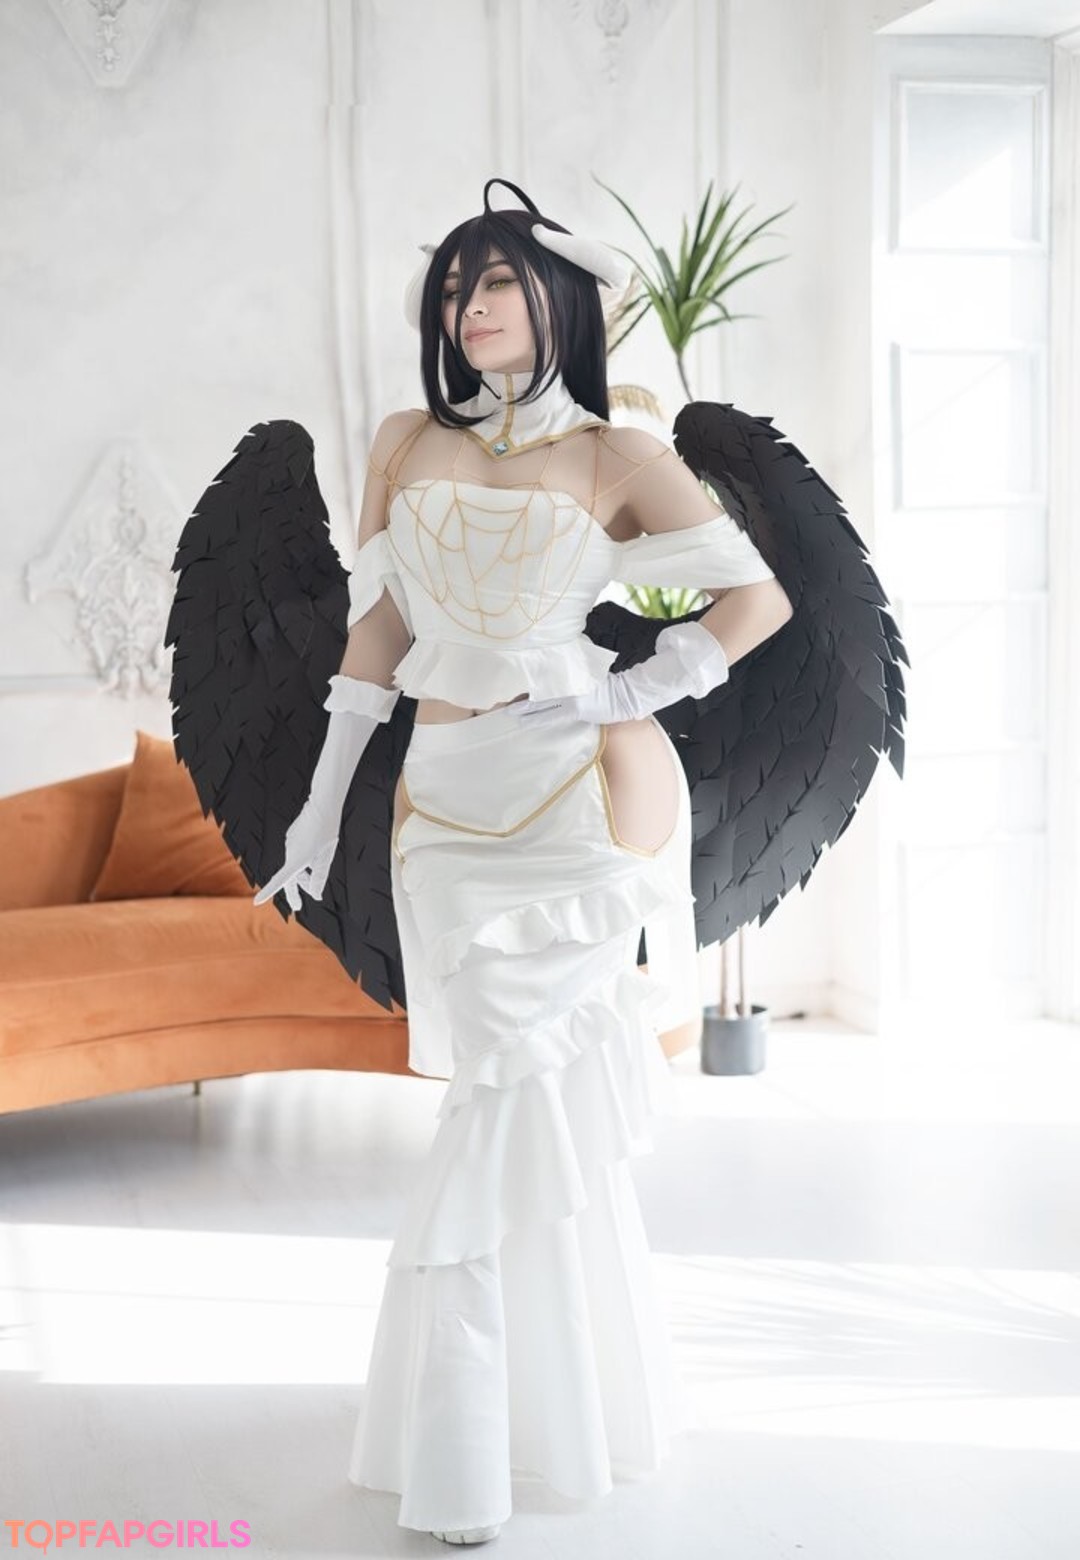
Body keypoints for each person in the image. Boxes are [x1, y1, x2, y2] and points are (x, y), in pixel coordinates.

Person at [254, 177, 794, 1544]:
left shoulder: (617, 454)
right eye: (454, 286)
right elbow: (378, 637)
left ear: (558, 294)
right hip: (444, 804)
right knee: (503, 1087)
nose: (470, 306)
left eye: (496, 280)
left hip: (578, 800)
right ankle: (547, 1414)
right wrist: (317, 811)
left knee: (518, 1092)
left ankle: (476, 1452)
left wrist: (628, 688)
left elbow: (758, 597)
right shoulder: (403, 441)